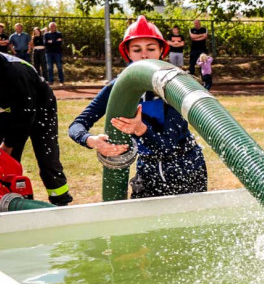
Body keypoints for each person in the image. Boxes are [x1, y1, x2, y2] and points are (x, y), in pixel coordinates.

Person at [69, 16, 207, 198]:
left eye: (151, 49)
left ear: (161, 52)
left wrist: (142, 130)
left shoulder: (174, 86)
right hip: (147, 167)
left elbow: (168, 146)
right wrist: (91, 140)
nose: (144, 55)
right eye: (137, 49)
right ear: (127, 53)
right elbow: (76, 125)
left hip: (184, 164)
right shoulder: (118, 87)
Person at [0, 33, 72, 205]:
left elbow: (24, 113)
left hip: (39, 110)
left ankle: (60, 201)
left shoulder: (14, 71)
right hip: (6, 114)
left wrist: (9, 145)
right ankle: (3, 201)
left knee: (47, 159)